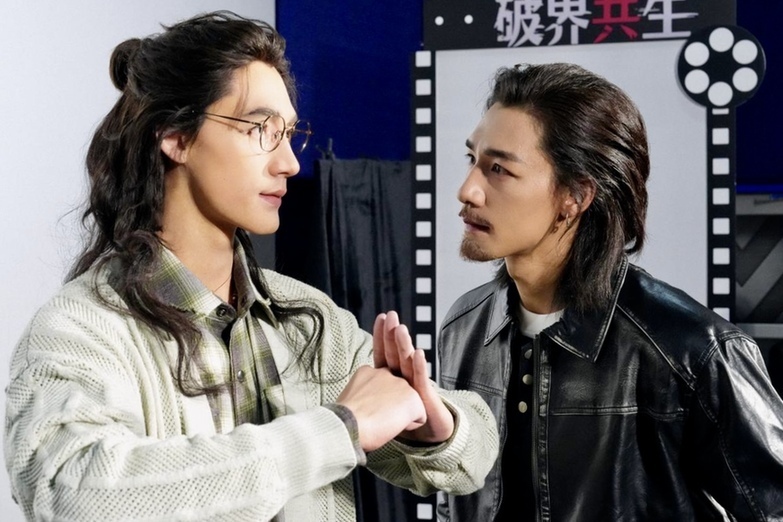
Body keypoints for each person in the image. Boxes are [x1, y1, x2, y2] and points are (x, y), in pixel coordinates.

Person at [3, 11, 498, 522]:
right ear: (176, 136)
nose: (289, 164)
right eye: (260, 129)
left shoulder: (308, 321)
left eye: (288, 134)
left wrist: (430, 422)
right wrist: (339, 429)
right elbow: (75, 494)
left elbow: (475, 455)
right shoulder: (80, 329)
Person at [436, 62, 783, 521]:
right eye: (472, 160)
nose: (468, 191)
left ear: (575, 196)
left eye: (499, 169)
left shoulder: (692, 352)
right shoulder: (463, 328)